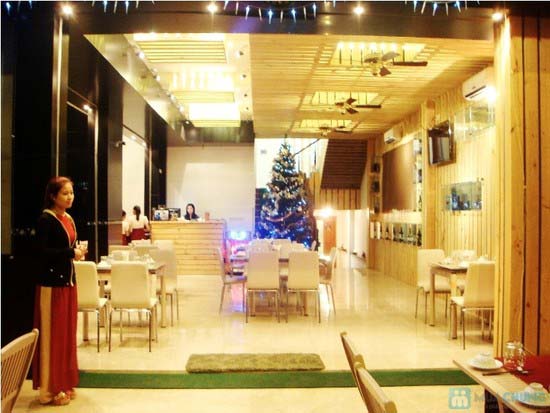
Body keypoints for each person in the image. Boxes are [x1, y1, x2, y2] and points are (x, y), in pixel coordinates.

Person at [32, 176, 85, 406]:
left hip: (68, 283)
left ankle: (63, 383)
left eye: (71, 192)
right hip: (51, 285)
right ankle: (49, 389)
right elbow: (41, 252)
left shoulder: (68, 218)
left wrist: (75, 252)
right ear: (53, 196)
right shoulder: (46, 220)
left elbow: (67, 248)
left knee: (66, 337)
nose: (70, 197)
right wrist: (70, 253)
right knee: (52, 337)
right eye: (65, 193)